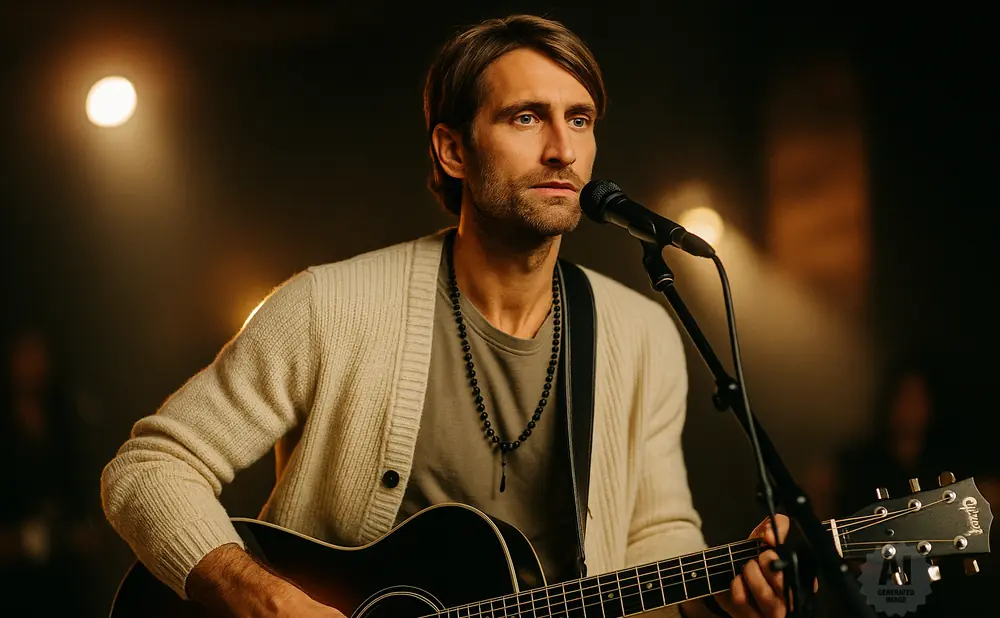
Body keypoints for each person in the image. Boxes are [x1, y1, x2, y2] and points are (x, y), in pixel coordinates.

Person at [101, 14, 793, 618]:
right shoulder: (328, 307)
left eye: (578, 119)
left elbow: (654, 543)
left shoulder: (641, 335)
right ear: (452, 149)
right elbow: (147, 467)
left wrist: (722, 599)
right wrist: (257, 595)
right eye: (526, 117)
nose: (564, 149)